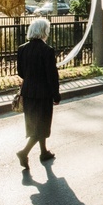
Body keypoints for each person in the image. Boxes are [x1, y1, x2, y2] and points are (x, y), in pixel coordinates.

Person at [15, 18, 61, 169]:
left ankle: (44, 152)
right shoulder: (47, 50)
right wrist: (56, 95)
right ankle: (24, 152)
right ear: (44, 31)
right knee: (41, 126)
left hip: (28, 92)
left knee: (35, 124)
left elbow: (20, 72)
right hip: (43, 94)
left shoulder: (22, 48)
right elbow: (51, 75)